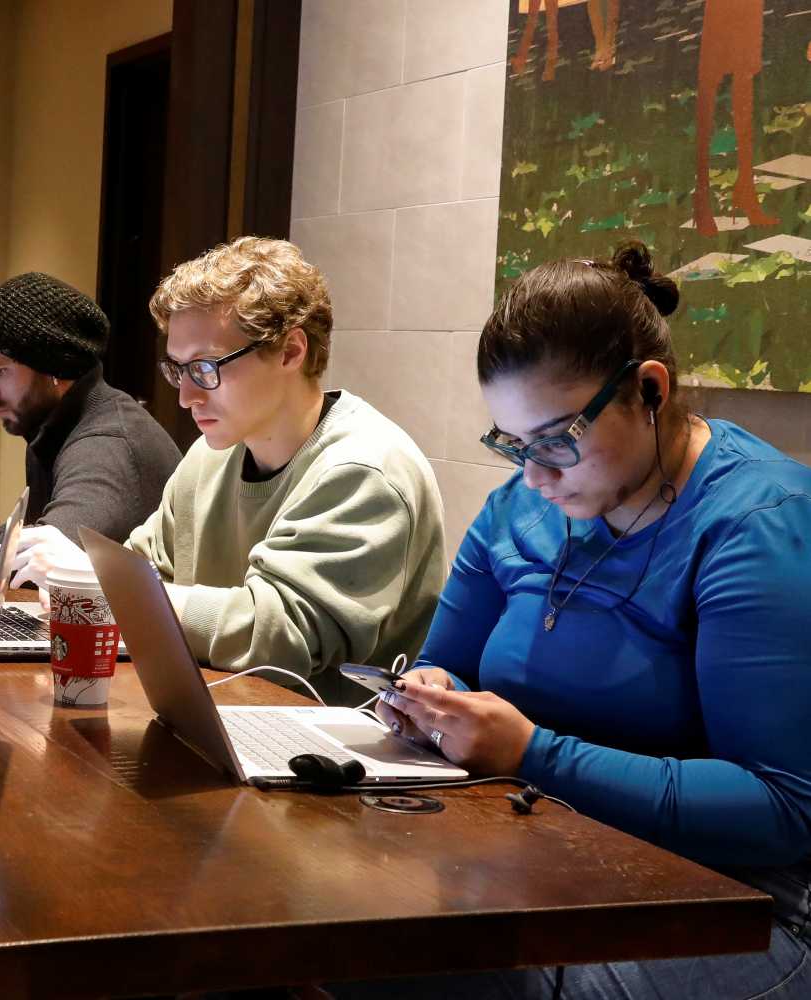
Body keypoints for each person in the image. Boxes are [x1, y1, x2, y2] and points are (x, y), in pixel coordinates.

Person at [332, 243, 811, 997]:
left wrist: (532, 753)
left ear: (649, 390)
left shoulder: (755, 525)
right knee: (337, 914)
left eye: (557, 440)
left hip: (744, 901)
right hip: (550, 843)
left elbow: (782, 808)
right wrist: (429, 697)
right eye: (513, 444)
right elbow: (444, 663)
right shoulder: (519, 510)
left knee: (456, 975)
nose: (534, 475)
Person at [7, 238, 446, 706]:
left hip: (325, 740)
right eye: (178, 370)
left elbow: (280, 639)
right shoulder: (211, 455)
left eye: (206, 367)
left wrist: (107, 585)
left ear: (290, 351)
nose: (186, 397)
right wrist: (84, 581)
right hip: (223, 715)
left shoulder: (365, 470)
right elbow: (145, 566)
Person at [0, 272, 181, 580]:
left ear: (56, 367)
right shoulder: (58, 425)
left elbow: (49, 556)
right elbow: (41, 536)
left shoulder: (106, 444)